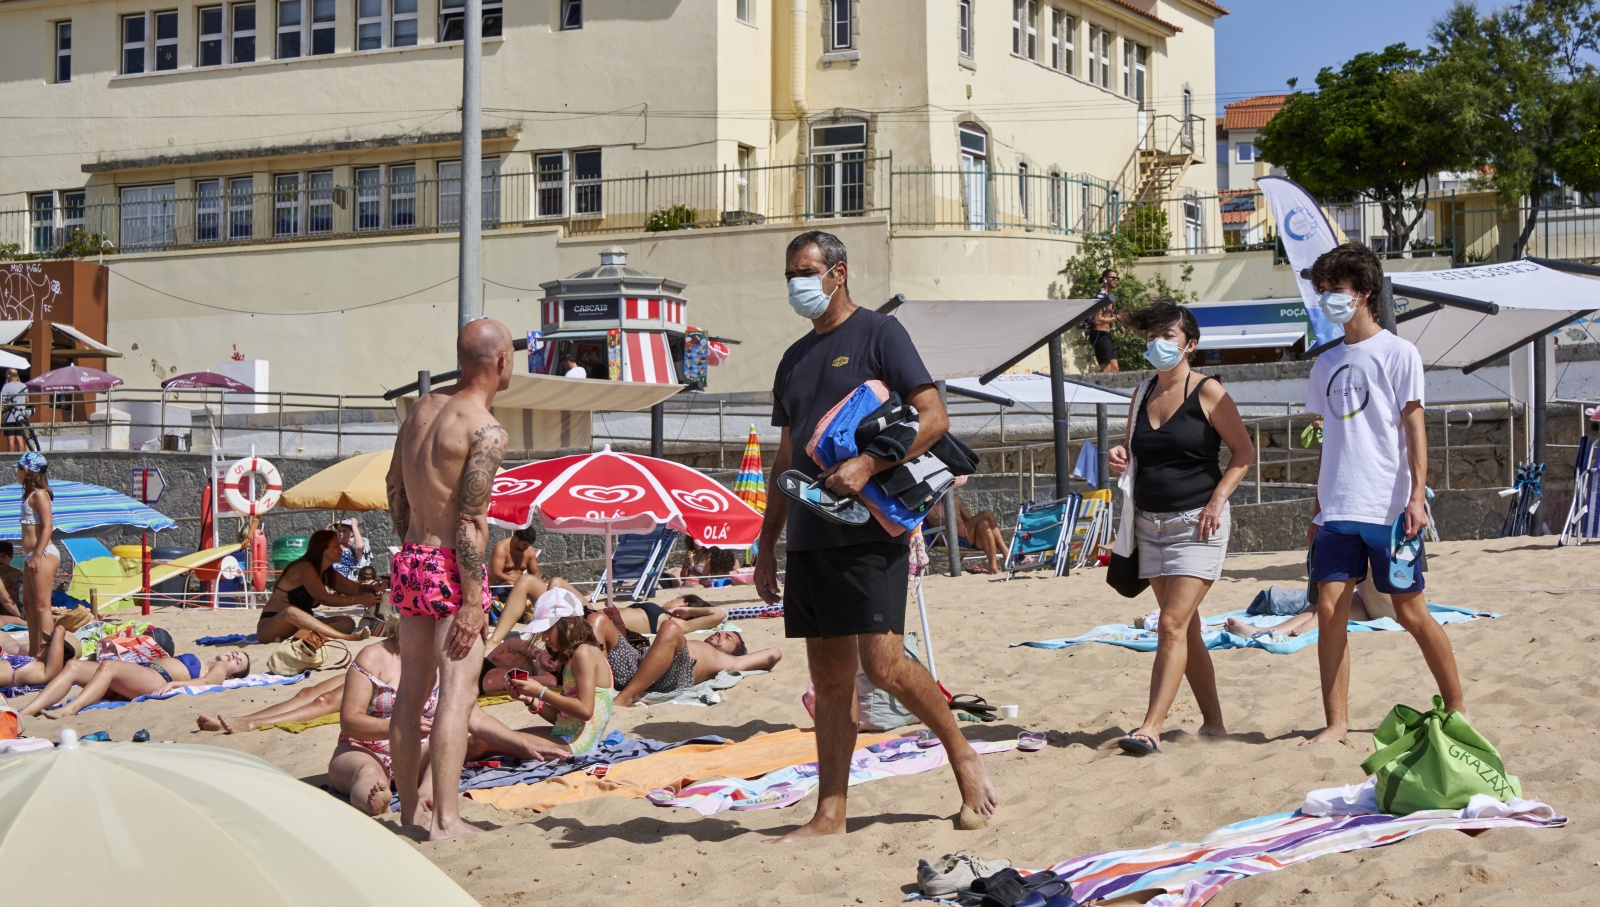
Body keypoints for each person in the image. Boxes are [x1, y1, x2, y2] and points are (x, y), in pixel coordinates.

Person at [755, 230, 997, 840]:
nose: (795, 285)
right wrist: (766, 546)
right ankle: (830, 813)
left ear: (838, 272)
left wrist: (870, 463)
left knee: (883, 666)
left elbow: (935, 417)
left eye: (804, 271)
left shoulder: (879, 334)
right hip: (810, 531)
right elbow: (785, 458)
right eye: (788, 275)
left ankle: (963, 755)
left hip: (870, 524)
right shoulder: (790, 359)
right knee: (830, 680)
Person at [1302, 241, 1464, 745]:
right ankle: (1337, 723)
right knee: (1329, 612)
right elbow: (1330, 442)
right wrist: (1318, 506)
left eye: (1336, 290)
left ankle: (1457, 707)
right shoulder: (1325, 363)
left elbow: (1414, 428)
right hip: (1338, 509)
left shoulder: (1399, 352)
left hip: (1389, 507)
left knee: (1410, 612)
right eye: (1322, 290)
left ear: (1365, 292)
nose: (1327, 298)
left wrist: (1417, 498)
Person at [1106, 300, 1255, 757]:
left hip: (1198, 524)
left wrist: (1216, 500)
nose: (1157, 344)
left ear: (1190, 344)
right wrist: (1120, 454)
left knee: (1170, 624)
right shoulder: (1141, 392)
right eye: (1152, 335)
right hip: (1148, 524)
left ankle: (1150, 727)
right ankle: (1213, 722)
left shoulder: (1208, 391)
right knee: (1185, 630)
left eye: (1167, 336)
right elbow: (1138, 454)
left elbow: (1244, 453)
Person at [385, 317, 514, 839]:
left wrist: (414, 548)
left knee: (411, 691)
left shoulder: (421, 409)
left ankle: (408, 815)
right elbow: (470, 522)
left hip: (412, 556)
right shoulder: (485, 429)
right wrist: (470, 601)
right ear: (501, 362)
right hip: (450, 570)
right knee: (457, 695)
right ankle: (446, 819)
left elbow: (394, 485)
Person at [328, 629, 566, 816]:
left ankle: (427, 794)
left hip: (417, 752)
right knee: (367, 774)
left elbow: (474, 717)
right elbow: (350, 721)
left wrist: (522, 745)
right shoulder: (375, 655)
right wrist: (399, 728)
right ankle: (374, 802)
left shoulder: (444, 662)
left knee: (446, 741)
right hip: (364, 747)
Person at [588, 609, 782, 707]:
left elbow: (774, 654)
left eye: (729, 638)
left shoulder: (730, 661)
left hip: (672, 675)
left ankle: (625, 697)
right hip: (638, 664)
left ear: (734, 652)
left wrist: (744, 659)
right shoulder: (699, 644)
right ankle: (602, 692)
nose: (722, 634)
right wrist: (620, 629)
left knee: (671, 628)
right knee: (597, 619)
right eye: (723, 633)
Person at [505, 588, 615, 756]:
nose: (544, 638)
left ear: (570, 621)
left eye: (548, 629)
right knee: (494, 736)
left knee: (485, 740)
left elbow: (585, 711)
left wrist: (541, 692)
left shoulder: (584, 653)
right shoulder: (573, 657)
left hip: (576, 746)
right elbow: (563, 719)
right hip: (568, 737)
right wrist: (531, 700)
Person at [19, 649, 250, 718]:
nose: (233, 656)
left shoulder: (217, 670)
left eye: (238, 662)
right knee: (73, 666)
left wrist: (175, 685)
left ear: (232, 675)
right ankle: (27, 712)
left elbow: (209, 682)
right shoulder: (209, 660)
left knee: (110, 666)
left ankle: (70, 709)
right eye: (236, 653)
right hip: (139, 676)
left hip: (156, 679)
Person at [256, 529, 379, 644]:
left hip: (299, 626)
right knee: (291, 612)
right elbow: (324, 598)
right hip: (271, 625)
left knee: (347, 623)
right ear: (323, 549)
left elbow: (354, 589)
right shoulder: (304, 567)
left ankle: (300, 637)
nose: (341, 550)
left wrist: (371, 588)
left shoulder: (325, 572)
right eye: (336, 547)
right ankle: (347, 637)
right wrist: (360, 600)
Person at [15, 452, 59, 658]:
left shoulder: (40, 494)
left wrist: (37, 556)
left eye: (19, 469)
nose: (17, 473)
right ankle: (35, 653)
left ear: (26, 471)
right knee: (30, 607)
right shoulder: (30, 494)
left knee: (42, 607)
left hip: (42, 553)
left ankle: (48, 653)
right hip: (32, 554)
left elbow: (48, 527)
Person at [598, 592, 728, 637]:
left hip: (599, 626)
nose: (671, 600)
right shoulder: (666, 615)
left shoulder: (676, 624)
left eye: (678, 598)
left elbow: (719, 614)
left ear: (685, 604)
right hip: (597, 618)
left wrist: (689, 611)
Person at [0, 624, 76, 691]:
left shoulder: (49, 672)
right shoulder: (38, 664)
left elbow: (60, 629)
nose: (41, 645)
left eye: (48, 644)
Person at [954, 496, 1006, 575]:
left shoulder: (955, 500)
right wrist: (956, 522)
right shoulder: (933, 505)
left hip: (966, 535)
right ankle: (1006, 553)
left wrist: (963, 523)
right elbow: (935, 523)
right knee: (987, 514)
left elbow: (969, 518)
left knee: (984, 524)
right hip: (950, 537)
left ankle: (993, 567)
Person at [1085, 269, 1121, 373]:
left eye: (1117, 278)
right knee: (1106, 369)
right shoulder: (1100, 296)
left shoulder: (1109, 296)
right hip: (1099, 335)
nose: (1115, 280)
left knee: (1115, 368)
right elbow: (1097, 320)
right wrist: (1117, 318)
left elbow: (1108, 315)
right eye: (1113, 278)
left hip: (1107, 334)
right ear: (1105, 279)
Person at [2, 368, 30, 454]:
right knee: (20, 438)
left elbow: (2, 402)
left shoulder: (6, 386)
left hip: (9, 417)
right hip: (21, 416)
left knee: (11, 439)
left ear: (8, 375)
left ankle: (11, 459)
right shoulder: (24, 386)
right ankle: (22, 459)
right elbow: (27, 401)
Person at [0, 541, 22, 621]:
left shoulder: (17, 573)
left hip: (14, 607)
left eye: (3, 556)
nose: (0, 559)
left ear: (11, 557)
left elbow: (30, 587)